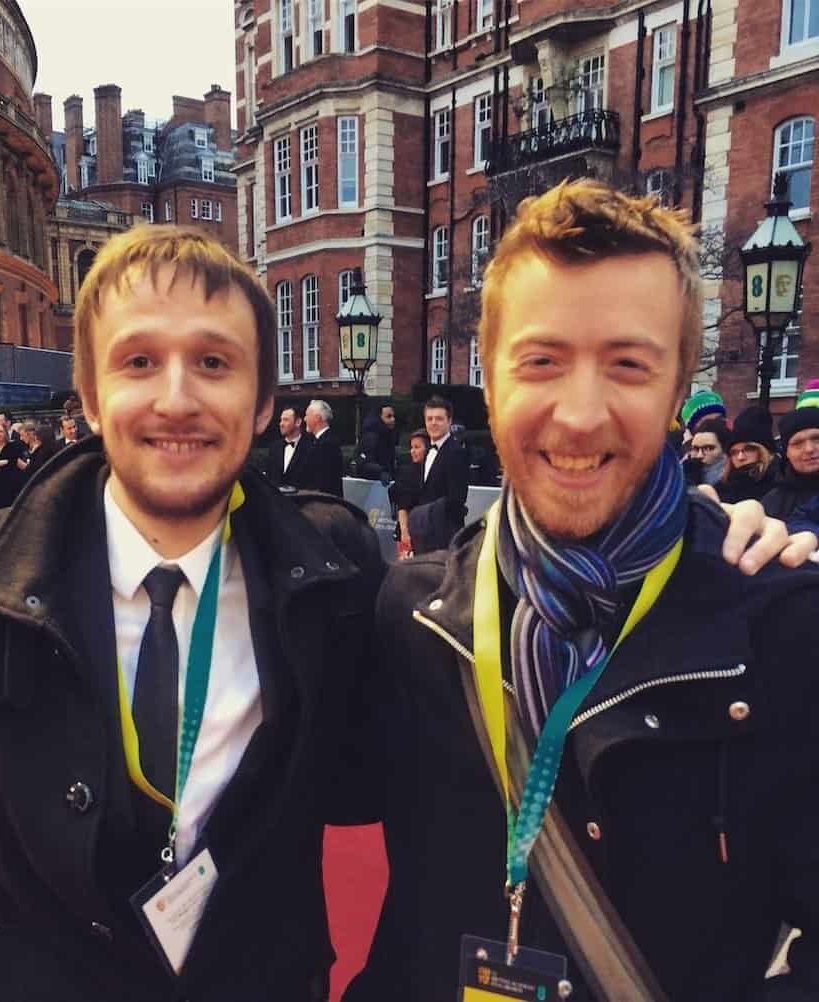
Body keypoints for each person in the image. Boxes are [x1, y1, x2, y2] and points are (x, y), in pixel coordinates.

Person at [0, 225, 382, 1002]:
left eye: (214, 363)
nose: (177, 398)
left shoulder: (339, 572)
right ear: (90, 398)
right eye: (139, 361)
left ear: (262, 405)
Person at [347, 181, 819, 1002]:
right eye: (542, 361)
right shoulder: (415, 617)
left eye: (629, 366)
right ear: (489, 386)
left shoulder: (784, 624)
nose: (580, 413)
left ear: (677, 395)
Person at [408, 394, 470, 552]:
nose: (433, 423)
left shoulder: (456, 452)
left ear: (449, 421)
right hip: (422, 535)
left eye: (439, 418)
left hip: (445, 536)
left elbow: (456, 499)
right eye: (429, 419)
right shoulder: (426, 451)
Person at [763, 382, 819, 519]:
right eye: (797, 443)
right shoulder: (772, 502)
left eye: (817, 438)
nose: (809, 449)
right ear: (786, 452)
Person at [717, 405, 778, 504]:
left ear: (763, 451)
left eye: (749, 449)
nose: (740, 457)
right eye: (734, 452)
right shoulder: (723, 487)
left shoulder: (778, 483)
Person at [389, 428, 429, 558]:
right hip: (410, 533)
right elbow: (403, 506)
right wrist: (405, 533)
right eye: (412, 447)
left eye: (417, 447)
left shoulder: (435, 472)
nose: (413, 451)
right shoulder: (407, 473)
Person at [298, 398, 343, 496]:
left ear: (317, 418)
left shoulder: (328, 444)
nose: (304, 419)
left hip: (324, 504)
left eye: (307, 415)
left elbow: (324, 481)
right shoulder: (317, 441)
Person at [264, 406, 312, 488]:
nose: (281, 424)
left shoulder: (311, 447)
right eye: (281, 420)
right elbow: (269, 478)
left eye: (286, 420)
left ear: (298, 422)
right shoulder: (274, 448)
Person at [352, 405, 398, 481]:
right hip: (373, 485)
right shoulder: (371, 438)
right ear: (379, 418)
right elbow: (363, 463)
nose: (393, 419)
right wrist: (381, 472)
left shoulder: (388, 436)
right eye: (388, 416)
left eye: (393, 416)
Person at [682, 416, 730, 487]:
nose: (700, 455)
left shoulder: (733, 480)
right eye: (695, 449)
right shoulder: (684, 473)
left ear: (724, 450)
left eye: (708, 448)